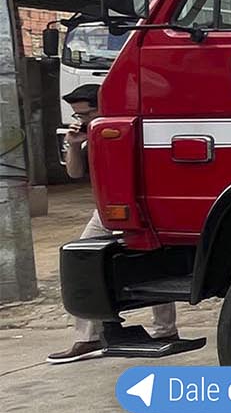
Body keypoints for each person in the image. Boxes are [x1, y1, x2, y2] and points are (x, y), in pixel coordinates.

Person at [46, 84, 178, 364]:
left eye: (88, 113)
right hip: (105, 209)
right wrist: (73, 145)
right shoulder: (89, 135)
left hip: (139, 205)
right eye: (79, 116)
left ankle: (165, 330)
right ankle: (87, 338)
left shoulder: (127, 129)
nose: (84, 120)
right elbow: (74, 173)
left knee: (153, 261)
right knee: (82, 259)